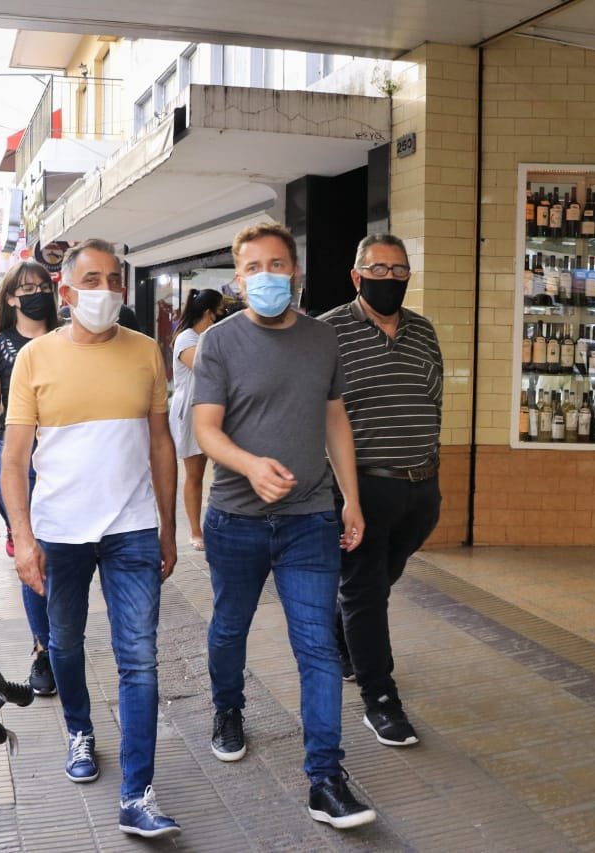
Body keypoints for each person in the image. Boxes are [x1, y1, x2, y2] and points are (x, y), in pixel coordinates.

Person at [192, 222, 376, 830]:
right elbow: (206, 429)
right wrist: (249, 464)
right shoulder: (218, 342)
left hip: (308, 520)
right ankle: (228, 708)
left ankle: (325, 777)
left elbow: (336, 421)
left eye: (278, 265)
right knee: (228, 630)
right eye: (255, 267)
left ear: (295, 271)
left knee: (318, 647)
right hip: (236, 519)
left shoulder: (322, 340)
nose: (268, 276)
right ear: (238, 278)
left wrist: (350, 498)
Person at [2, 239, 181, 839]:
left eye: (114, 280)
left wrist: (168, 525)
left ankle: (138, 793)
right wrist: (23, 538)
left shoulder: (147, 352)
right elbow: (14, 457)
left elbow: (161, 443)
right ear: (67, 292)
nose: (104, 291)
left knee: (140, 659)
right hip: (60, 533)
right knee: (65, 643)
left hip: (132, 530)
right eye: (92, 281)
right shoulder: (35, 358)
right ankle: (80, 728)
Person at [318, 233, 443, 749]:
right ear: (356, 276)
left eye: (398, 270)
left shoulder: (423, 330)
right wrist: (342, 495)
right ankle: (381, 698)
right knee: (367, 589)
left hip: (420, 490)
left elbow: (433, 401)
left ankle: (342, 631)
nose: (389, 279)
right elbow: (319, 417)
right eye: (378, 269)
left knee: (379, 580)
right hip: (361, 489)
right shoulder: (327, 333)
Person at [0, 260, 58, 696]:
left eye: (43, 285)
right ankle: (45, 649)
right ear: (10, 297)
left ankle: (63, 641)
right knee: (33, 555)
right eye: (27, 287)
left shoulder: (69, 339)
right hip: (17, 463)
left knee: (64, 556)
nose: (36, 292)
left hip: (66, 460)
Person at [169, 288, 224, 550]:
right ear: (208, 313)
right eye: (221, 309)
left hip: (211, 409)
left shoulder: (207, 336)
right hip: (189, 412)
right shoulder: (186, 339)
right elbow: (206, 368)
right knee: (195, 473)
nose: (224, 314)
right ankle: (195, 530)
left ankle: (218, 524)